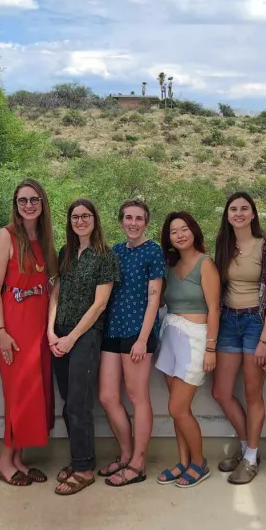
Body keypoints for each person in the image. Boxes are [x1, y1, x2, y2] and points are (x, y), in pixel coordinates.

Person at [211, 192, 266, 485]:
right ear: (227, 215)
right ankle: (246, 448)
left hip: (258, 322)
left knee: (253, 393)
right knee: (221, 391)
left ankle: (252, 458)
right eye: (234, 209)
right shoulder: (223, 245)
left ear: (253, 214)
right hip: (229, 321)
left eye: (245, 209)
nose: (239, 213)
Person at [47, 199, 120, 495]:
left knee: (79, 402)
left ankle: (85, 467)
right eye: (75, 217)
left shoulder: (105, 255)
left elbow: (100, 304)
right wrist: (51, 331)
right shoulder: (66, 253)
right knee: (68, 401)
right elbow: (56, 294)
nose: (80, 221)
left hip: (85, 336)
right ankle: (78, 458)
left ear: (95, 219)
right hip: (60, 333)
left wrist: (71, 337)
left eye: (86, 216)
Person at [0, 178, 57, 487]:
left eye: (34, 200)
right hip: (14, 329)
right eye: (22, 201)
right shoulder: (6, 236)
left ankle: (18, 459)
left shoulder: (44, 238)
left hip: (40, 329)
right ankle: (3, 460)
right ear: (15, 206)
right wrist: (0, 330)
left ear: (42, 203)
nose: (28, 205)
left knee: (34, 396)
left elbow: (50, 285)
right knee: (18, 397)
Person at [98, 199, 163, 488]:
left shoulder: (154, 252)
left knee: (138, 398)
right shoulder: (115, 252)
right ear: (121, 221)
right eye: (128, 218)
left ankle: (138, 462)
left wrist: (142, 339)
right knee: (108, 397)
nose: (133, 223)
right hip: (112, 330)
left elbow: (154, 298)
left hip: (138, 333)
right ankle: (125, 453)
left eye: (139, 218)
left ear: (146, 223)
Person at [154, 211, 219, 488]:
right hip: (170, 337)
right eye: (173, 232)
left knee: (178, 407)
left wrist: (211, 348)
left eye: (184, 229)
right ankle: (183, 462)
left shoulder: (205, 264)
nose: (179, 235)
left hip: (195, 339)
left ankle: (199, 462)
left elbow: (215, 308)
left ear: (193, 231)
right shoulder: (169, 266)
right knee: (175, 409)